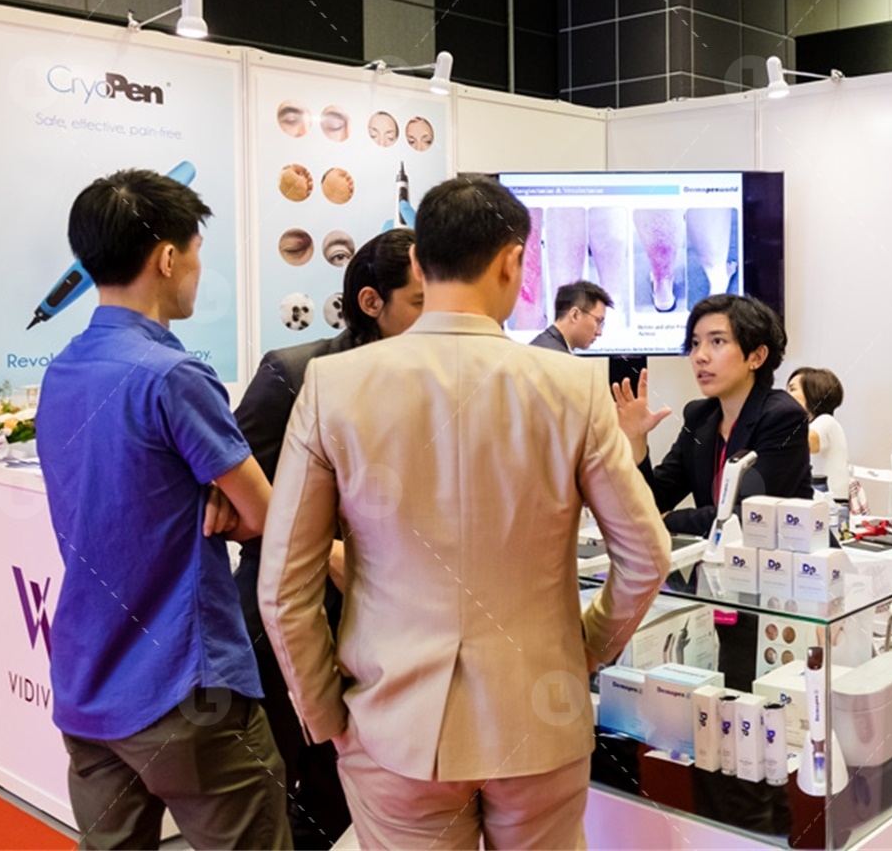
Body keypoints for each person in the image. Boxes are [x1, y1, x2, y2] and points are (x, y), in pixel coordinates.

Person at [258, 175, 670, 850]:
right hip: (540, 715)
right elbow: (647, 556)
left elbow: (283, 586)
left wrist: (326, 714)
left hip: (390, 725)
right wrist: (584, 650)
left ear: (419, 262)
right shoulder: (574, 386)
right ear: (513, 262)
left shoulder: (334, 385)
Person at [34, 169, 290, 850]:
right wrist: (222, 493)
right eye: (198, 253)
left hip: (88, 682)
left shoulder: (62, 371)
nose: (198, 272)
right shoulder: (173, 376)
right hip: (183, 682)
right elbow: (266, 516)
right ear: (168, 258)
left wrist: (207, 489)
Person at [232, 228, 423, 849]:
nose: (436, 319)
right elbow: (228, 506)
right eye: (420, 302)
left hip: (386, 625)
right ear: (371, 302)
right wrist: (321, 550)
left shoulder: (432, 380)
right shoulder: (293, 373)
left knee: (357, 794)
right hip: (287, 620)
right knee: (283, 792)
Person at [614, 293, 812, 536]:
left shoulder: (782, 417)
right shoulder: (699, 417)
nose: (700, 356)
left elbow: (751, 516)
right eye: (695, 343)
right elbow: (651, 503)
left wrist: (668, 520)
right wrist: (636, 441)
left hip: (787, 556)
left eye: (717, 341)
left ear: (757, 356)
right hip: (720, 556)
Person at [785, 366, 850, 499]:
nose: (785, 396)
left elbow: (804, 442)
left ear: (813, 393)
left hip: (830, 506)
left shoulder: (826, 421)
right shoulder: (812, 425)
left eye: (792, 389)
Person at [530, 279, 613, 353]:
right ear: (575, 315)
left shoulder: (544, 346)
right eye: (598, 321)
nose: (599, 332)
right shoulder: (556, 356)